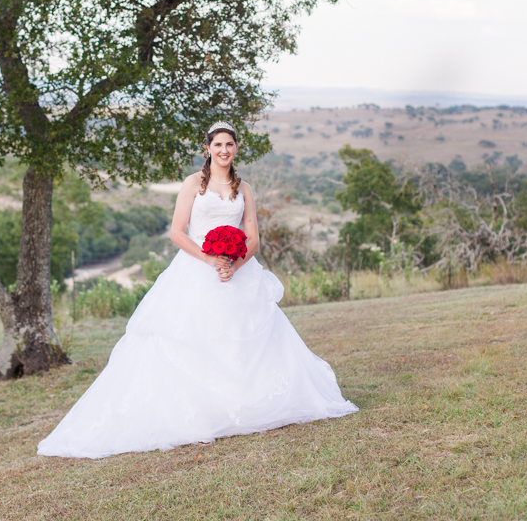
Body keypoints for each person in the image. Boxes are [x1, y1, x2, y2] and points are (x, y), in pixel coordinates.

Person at [37, 120, 357, 459]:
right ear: (207, 148)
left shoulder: (243, 188)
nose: (223, 150)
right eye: (217, 144)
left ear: (236, 149)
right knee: (194, 337)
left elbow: (254, 238)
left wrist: (232, 264)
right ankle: (201, 413)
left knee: (242, 336)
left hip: (237, 271)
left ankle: (247, 404)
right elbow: (177, 232)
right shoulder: (194, 183)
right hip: (196, 267)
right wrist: (210, 260)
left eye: (229, 145)